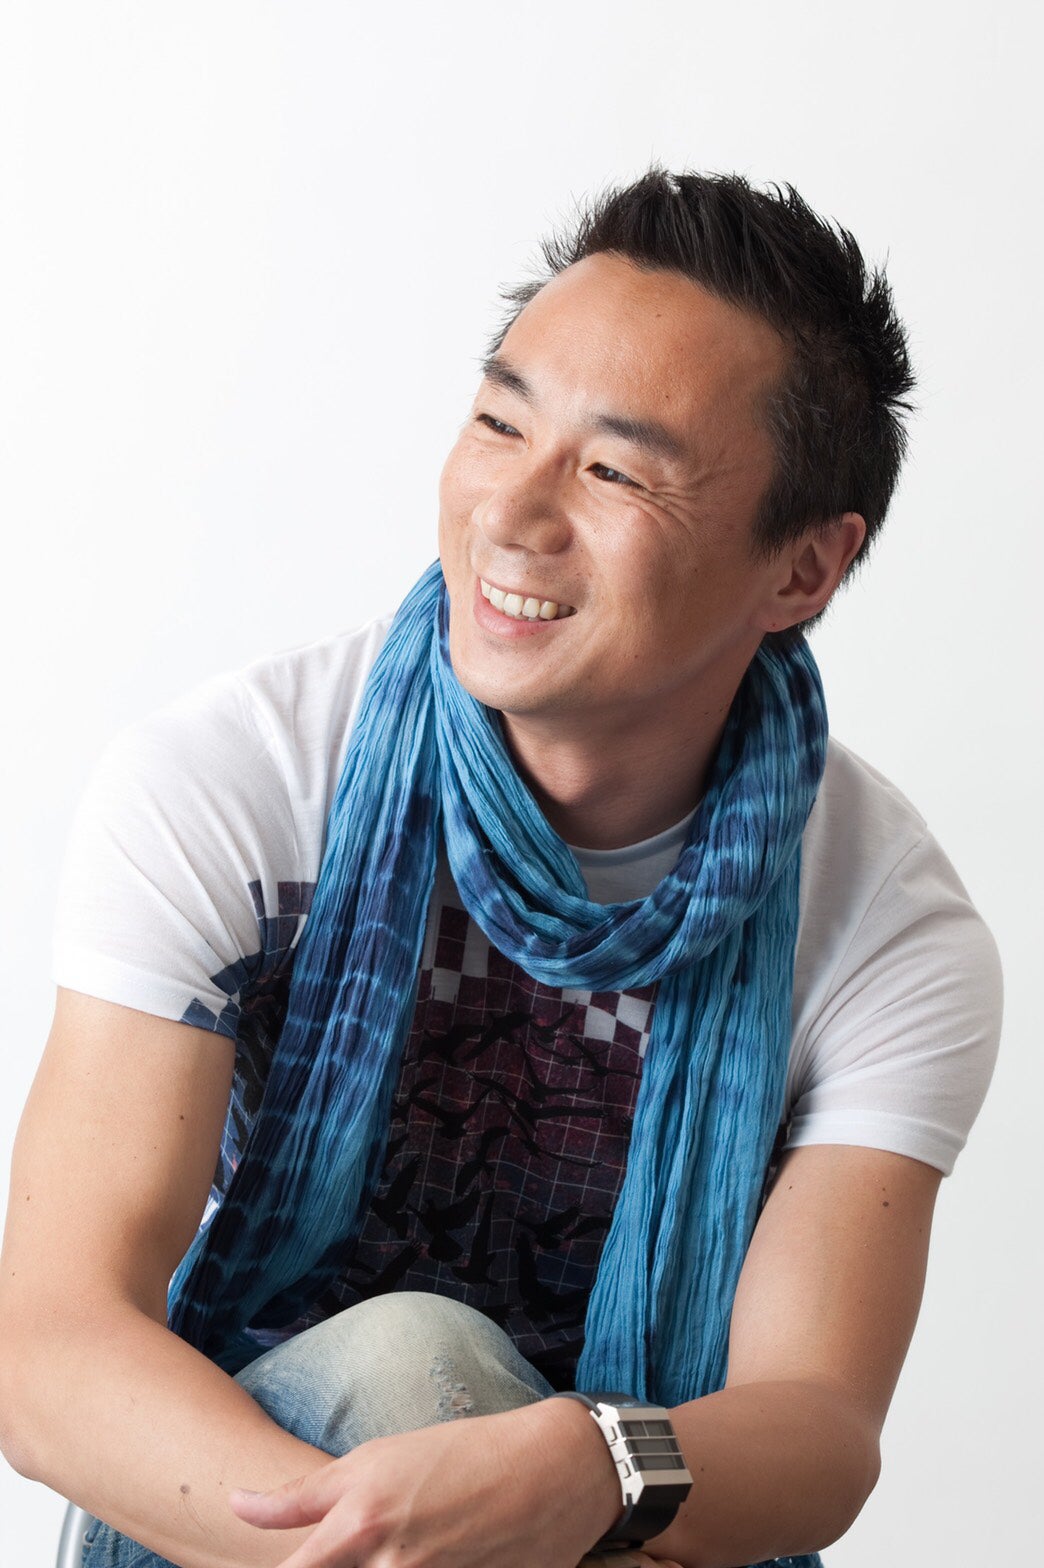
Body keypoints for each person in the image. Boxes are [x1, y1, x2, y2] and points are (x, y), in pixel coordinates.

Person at [0, 169, 1002, 1568]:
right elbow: (51, 1350)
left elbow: (818, 1422)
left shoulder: (882, 928)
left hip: (623, 1526)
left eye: (614, 471)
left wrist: (597, 1461)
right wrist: (381, 1544)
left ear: (803, 570)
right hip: (237, 1511)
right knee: (410, 1365)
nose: (513, 513)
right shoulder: (236, 787)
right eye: (499, 422)